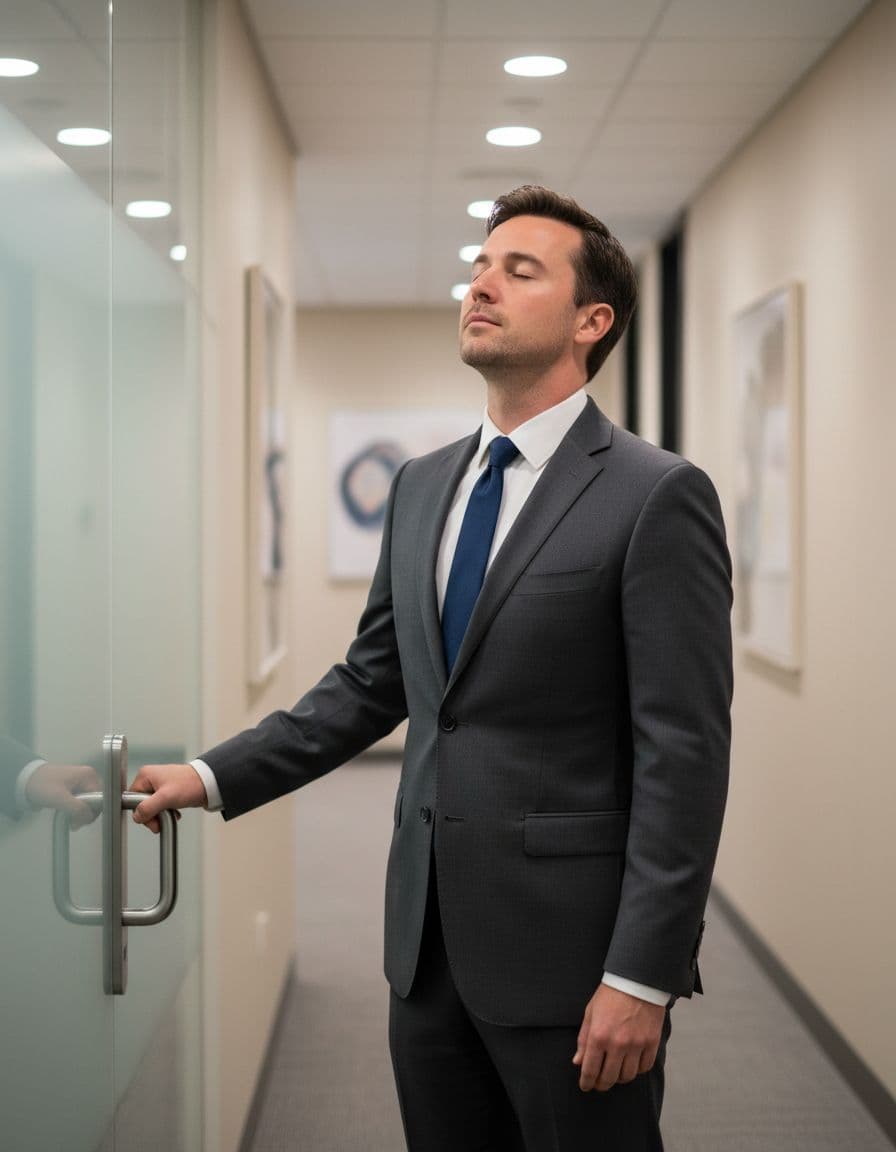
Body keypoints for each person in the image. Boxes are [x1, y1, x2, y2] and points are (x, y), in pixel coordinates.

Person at [132, 186, 733, 1152]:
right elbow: (373, 684)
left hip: (573, 962)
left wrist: (643, 975)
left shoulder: (656, 495)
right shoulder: (423, 485)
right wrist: (209, 775)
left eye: (519, 269)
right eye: (481, 266)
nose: (481, 283)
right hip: (426, 947)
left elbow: (686, 755)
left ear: (593, 321)